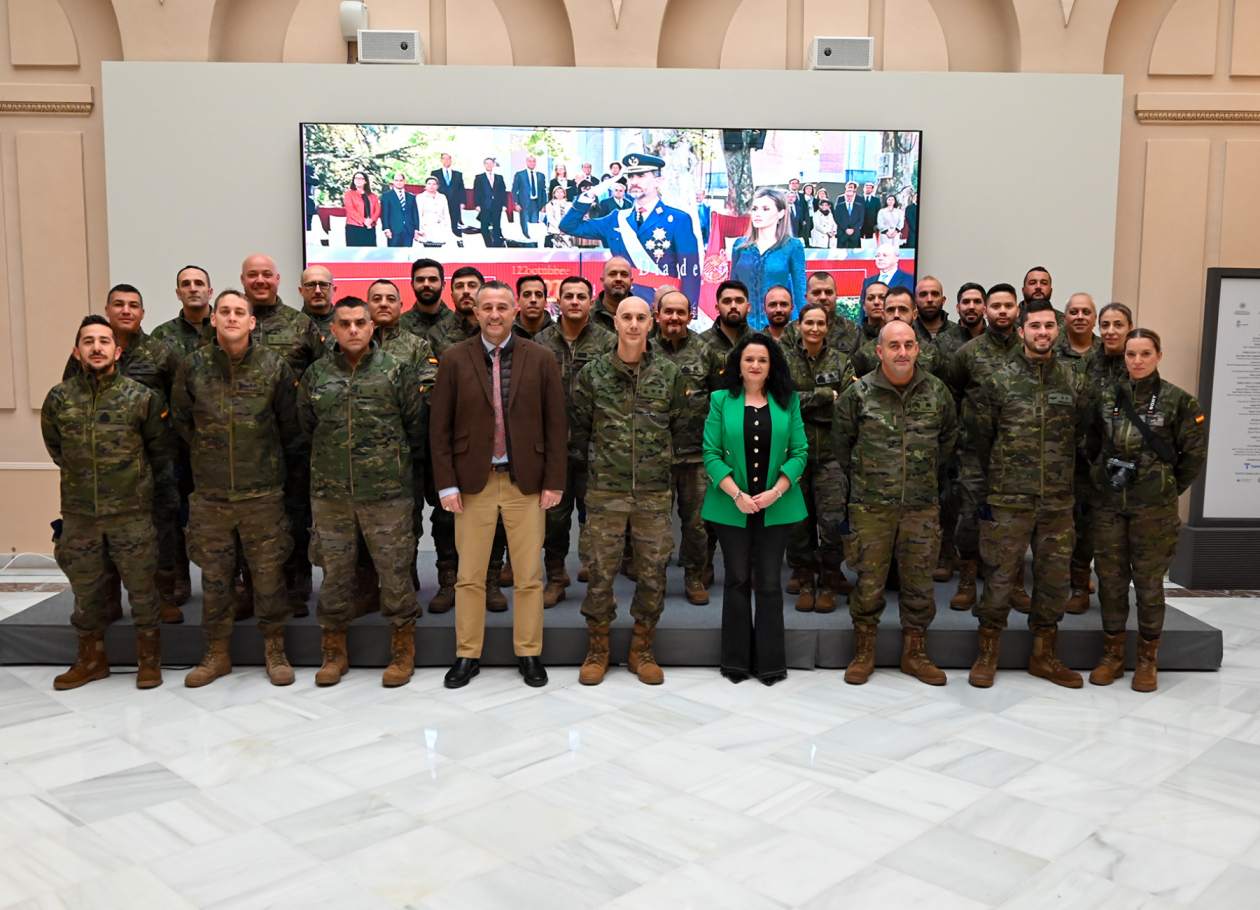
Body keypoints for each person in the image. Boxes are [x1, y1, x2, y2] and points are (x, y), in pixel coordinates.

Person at [429, 281, 567, 689]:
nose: (494, 314)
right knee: (469, 576)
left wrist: (554, 481)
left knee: (528, 576)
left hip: (526, 482)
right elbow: (439, 430)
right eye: (486, 307)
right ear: (474, 311)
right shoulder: (454, 359)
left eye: (502, 307)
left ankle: (528, 652)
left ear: (514, 311)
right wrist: (446, 486)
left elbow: (557, 426)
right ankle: (467, 655)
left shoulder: (540, 358)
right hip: (474, 484)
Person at [173, 289, 304, 688]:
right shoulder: (193, 367)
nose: (231, 317)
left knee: (268, 577)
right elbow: (180, 422)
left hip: (261, 494)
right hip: (211, 496)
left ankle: (275, 649)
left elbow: (290, 426)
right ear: (213, 319)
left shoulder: (273, 367)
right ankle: (216, 653)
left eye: (240, 312)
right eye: (225, 311)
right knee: (214, 580)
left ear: (252, 322)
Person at [299, 298, 427, 688]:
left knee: (395, 574)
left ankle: (403, 649)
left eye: (360, 323)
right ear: (332, 330)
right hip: (331, 495)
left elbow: (414, 427)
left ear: (372, 327)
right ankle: (334, 652)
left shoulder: (396, 372)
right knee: (335, 576)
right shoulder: (316, 375)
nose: (353, 329)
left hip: (387, 494)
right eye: (345, 323)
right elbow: (305, 427)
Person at [42, 315, 171, 690]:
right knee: (85, 592)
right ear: (76, 350)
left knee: (143, 590)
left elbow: (158, 452)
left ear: (117, 350)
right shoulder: (59, 399)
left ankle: (149, 661)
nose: (96, 347)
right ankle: (91, 659)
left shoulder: (141, 397)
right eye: (88, 341)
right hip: (81, 515)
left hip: (131, 514)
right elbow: (57, 449)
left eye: (103, 341)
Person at [969, 300, 1092, 689]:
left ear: (1056, 331)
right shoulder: (998, 380)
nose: (1042, 333)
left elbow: (1087, 435)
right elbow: (978, 439)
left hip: (1058, 502)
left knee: (1054, 580)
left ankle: (1044, 655)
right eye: (1034, 326)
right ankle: (987, 654)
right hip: (1008, 499)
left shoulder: (1075, 380)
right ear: (1021, 331)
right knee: (1000, 578)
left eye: (1048, 326)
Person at [571, 297, 687, 686]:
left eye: (641, 318)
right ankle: (598, 648)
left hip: (653, 493)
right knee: (600, 573)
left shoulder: (670, 375)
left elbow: (678, 424)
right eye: (627, 318)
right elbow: (581, 429)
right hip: (605, 491)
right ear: (615, 323)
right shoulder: (593, 375)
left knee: (653, 573)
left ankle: (642, 647)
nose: (634, 325)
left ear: (651, 323)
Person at [833, 320, 957, 686]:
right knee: (869, 581)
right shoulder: (859, 395)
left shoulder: (937, 392)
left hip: (921, 505)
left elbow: (948, 440)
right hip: (870, 508)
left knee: (919, 582)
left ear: (917, 348)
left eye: (908, 345)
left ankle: (915, 653)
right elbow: (843, 446)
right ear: (880, 351)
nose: (902, 352)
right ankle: (864, 651)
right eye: (894, 346)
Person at [1089, 329, 1206, 692]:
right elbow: (1092, 442)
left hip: (1153, 510)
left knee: (1149, 584)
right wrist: (1100, 474)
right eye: (1130, 354)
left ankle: (1146, 659)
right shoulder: (1108, 395)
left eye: (1144, 353)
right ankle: (1112, 655)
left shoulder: (1178, 402)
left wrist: (1164, 487)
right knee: (1110, 582)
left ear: (1158, 355)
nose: (1137, 361)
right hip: (1110, 504)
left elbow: (1193, 457)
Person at [60, 284, 182, 625]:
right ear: (108, 310)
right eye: (119, 305)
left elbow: (180, 401)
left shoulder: (161, 352)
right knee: (103, 540)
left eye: (133, 305)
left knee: (161, 529)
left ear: (142, 313)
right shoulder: (87, 352)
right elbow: (65, 414)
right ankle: (109, 601)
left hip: (155, 459)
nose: (126, 310)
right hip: (99, 472)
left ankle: (165, 596)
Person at [703, 332, 807, 684]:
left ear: (771, 364)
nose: (756, 365)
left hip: (776, 505)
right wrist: (737, 495)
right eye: (749, 359)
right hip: (732, 504)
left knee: (768, 582)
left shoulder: (787, 400)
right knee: (736, 580)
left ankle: (770, 664)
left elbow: (800, 453)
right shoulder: (720, 400)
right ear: (739, 364)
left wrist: (776, 491)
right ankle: (734, 662)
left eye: (762, 359)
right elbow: (711, 454)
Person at [239, 254, 325, 616]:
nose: (260, 281)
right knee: (246, 520)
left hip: (292, 443)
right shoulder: (233, 320)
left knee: (293, 515)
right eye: (253, 275)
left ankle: (295, 586)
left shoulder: (300, 324)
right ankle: (249, 589)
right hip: (243, 446)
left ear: (278, 279)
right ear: (243, 279)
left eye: (266, 275)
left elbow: (321, 374)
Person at [429, 267, 510, 611]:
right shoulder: (441, 339)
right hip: (459, 452)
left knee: (499, 523)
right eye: (459, 287)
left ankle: (491, 580)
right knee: (448, 521)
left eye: (472, 286)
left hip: (500, 457)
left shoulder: (518, 346)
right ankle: (451, 581)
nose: (493, 314)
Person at [534, 276, 615, 605]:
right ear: (559, 299)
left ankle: (597, 580)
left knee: (595, 518)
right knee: (554, 518)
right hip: (552, 449)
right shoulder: (539, 343)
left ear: (591, 299)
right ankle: (555, 576)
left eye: (581, 296)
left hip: (595, 447)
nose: (575, 301)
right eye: (568, 296)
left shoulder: (608, 342)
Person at [945, 283, 1023, 613]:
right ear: (987, 312)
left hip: (1020, 454)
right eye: (997, 306)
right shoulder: (969, 353)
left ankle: (1012, 583)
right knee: (972, 517)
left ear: (1017, 310)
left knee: (1015, 522)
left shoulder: (1029, 350)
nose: (1002, 311)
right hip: (975, 453)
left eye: (1008, 305)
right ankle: (967, 579)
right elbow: (954, 393)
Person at [782, 301, 856, 612]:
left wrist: (805, 404)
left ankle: (828, 578)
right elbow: (781, 401)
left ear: (827, 327)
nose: (814, 329)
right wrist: (824, 396)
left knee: (832, 520)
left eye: (820, 323)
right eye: (809, 323)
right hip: (794, 454)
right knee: (798, 521)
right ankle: (805, 577)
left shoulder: (841, 361)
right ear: (798, 326)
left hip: (831, 455)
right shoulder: (783, 361)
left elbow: (849, 404)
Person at [653, 289, 725, 604]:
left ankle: (695, 577)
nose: (674, 318)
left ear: (690, 315)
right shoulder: (644, 350)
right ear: (658, 315)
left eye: (680, 312)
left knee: (697, 525)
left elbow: (723, 399)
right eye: (668, 312)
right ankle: (653, 580)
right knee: (654, 524)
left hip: (697, 455)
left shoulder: (706, 351)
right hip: (655, 455)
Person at [369, 278, 440, 595]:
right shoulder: (348, 342)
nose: (383, 304)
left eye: (390, 299)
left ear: (400, 306)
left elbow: (428, 390)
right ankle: (368, 586)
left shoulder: (416, 346)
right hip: (360, 456)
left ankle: (405, 579)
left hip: (405, 452)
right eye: (376, 298)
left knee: (406, 521)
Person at [152, 265, 216, 607]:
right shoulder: (161, 338)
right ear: (177, 292)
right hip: (178, 443)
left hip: (219, 445)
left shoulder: (224, 326)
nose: (193, 289)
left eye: (199, 283)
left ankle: (227, 580)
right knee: (174, 511)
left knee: (218, 515)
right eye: (185, 284)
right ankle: (178, 578)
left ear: (210, 289)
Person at [560, 152, 701, 304]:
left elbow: (690, 270)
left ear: (658, 180)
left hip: (660, 306)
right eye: (630, 176)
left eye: (640, 176)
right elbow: (569, 226)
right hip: (621, 305)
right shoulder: (616, 219)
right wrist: (592, 193)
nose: (633, 181)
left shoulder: (678, 219)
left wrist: (688, 309)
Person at [1059, 292, 1101, 613]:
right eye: (1073, 311)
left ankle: (1079, 583)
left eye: (1086, 311)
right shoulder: (1050, 350)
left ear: (1094, 317)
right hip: (1055, 452)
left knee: (1087, 523)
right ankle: (1054, 579)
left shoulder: (1107, 353)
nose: (1079, 317)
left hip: (1093, 456)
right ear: (1065, 316)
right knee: (1056, 521)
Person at [730, 188, 806, 331]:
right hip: (743, 327)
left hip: (779, 327)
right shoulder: (739, 246)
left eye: (765, 209)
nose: (757, 214)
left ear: (781, 213)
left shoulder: (792, 246)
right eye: (754, 209)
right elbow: (732, 289)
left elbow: (800, 290)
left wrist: (801, 325)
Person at [851, 288, 945, 379]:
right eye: (890, 310)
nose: (896, 315)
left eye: (903, 310)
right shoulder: (864, 354)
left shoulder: (932, 353)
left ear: (914, 314)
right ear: (883, 315)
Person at [400, 257, 457, 341]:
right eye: (420, 280)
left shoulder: (457, 324)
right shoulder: (399, 326)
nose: (426, 284)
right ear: (412, 285)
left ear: (443, 285)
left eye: (433, 279)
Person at [701, 279, 750, 354]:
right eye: (727, 301)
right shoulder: (700, 342)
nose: (733, 306)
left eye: (739, 301)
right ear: (717, 308)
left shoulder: (761, 341)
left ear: (748, 307)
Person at [416, 176, 460, 247]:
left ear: (437, 186)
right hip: (426, 228)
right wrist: (420, 229)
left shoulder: (442, 197)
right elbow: (419, 215)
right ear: (425, 185)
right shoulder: (420, 197)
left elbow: (446, 214)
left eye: (434, 184)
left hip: (440, 227)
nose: (431, 186)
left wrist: (448, 228)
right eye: (429, 184)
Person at [592, 257, 634, 331]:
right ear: (602, 280)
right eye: (612, 274)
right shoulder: (588, 315)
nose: (618, 279)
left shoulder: (643, 315)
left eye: (624, 274)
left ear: (631, 281)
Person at [473, 158, 507, 248]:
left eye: (491, 163)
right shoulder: (479, 177)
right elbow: (476, 192)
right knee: (484, 227)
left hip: (497, 205)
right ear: (484, 165)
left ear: (493, 165)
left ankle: (496, 245)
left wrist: (504, 204)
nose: (489, 165)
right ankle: (487, 245)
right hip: (485, 206)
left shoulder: (499, 177)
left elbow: (503, 192)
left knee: (497, 225)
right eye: (487, 163)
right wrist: (477, 204)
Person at [429, 152, 466, 235]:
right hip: (439, 203)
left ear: (451, 160)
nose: (446, 160)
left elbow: (461, 189)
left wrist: (463, 202)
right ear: (441, 160)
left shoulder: (458, 174)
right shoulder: (435, 173)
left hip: (455, 204)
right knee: (441, 224)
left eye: (448, 158)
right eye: (444, 158)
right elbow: (432, 188)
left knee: (455, 225)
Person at [512, 154, 547, 241]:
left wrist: (544, 205)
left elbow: (543, 191)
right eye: (530, 161)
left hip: (536, 203)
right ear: (526, 162)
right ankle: (527, 243)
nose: (532, 163)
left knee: (534, 224)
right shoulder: (520, 174)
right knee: (525, 224)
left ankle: (534, 242)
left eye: (534, 161)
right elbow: (514, 190)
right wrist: (516, 203)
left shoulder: (541, 175)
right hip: (524, 204)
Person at [298, 265, 335, 344]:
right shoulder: (288, 326)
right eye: (310, 285)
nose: (317, 291)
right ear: (301, 291)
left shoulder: (349, 327)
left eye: (324, 285)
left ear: (334, 290)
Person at [380, 172, 419, 247]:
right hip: (393, 230)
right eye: (396, 180)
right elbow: (384, 214)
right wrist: (386, 228)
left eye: (401, 180)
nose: (399, 182)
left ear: (404, 181)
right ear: (393, 182)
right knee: (393, 255)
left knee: (407, 255)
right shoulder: (387, 196)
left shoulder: (411, 197)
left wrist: (416, 229)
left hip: (408, 230)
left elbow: (415, 214)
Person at [342, 171, 381, 247]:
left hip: (370, 227)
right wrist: (364, 221)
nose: (358, 180)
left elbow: (377, 210)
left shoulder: (373, 196)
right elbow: (351, 210)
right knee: (354, 253)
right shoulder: (349, 194)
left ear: (365, 181)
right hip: (354, 228)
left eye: (360, 178)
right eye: (356, 178)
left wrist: (371, 220)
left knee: (370, 253)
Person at [513, 274, 554, 339]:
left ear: (545, 302)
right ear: (518, 301)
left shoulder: (560, 333)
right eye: (526, 295)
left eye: (538, 295)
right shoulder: (506, 333)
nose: (533, 300)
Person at [835, 182, 865, 248]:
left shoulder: (859, 206)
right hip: (842, 233)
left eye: (851, 196)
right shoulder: (839, 206)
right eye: (847, 196)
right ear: (845, 195)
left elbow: (861, 219)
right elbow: (837, 218)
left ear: (853, 195)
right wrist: (845, 229)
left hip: (855, 234)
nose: (849, 197)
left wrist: (853, 229)